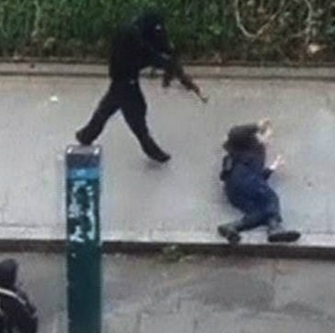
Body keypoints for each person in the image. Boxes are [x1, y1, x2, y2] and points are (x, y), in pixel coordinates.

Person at [75, 10, 205, 163]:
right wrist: (170, 66)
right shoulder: (132, 36)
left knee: (108, 107)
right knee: (136, 113)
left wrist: (170, 62)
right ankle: (151, 149)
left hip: (123, 76)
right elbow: (150, 54)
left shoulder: (134, 29)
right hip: (125, 77)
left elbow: (157, 48)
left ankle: (86, 135)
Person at [217, 119, 300, 244]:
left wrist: (272, 168)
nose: (270, 141)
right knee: (271, 198)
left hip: (235, 189)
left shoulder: (255, 152)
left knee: (260, 213)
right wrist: (256, 126)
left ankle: (231, 228)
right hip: (242, 181)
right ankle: (275, 229)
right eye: (268, 136)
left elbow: (256, 179)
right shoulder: (249, 144)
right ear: (258, 135)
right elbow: (234, 132)